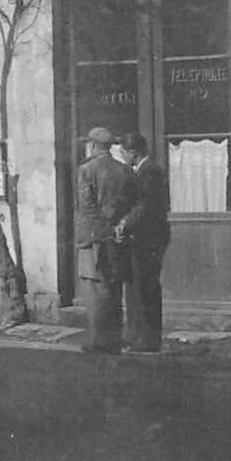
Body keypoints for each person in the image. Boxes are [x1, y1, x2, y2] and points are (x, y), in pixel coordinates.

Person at [74, 127, 137, 354]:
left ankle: (99, 341)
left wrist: (101, 233)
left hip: (94, 240)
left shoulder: (86, 170)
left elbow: (87, 207)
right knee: (114, 289)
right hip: (117, 238)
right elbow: (131, 204)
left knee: (94, 291)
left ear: (92, 145)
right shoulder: (124, 170)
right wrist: (116, 229)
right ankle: (115, 338)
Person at [117, 132, 170, 353]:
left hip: (149, 240)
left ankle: (147, 339)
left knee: (145, 289)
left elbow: (145, 206)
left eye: (123, 153)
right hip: (142, 239)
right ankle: (138, 336)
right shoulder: (144, 171)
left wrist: (125, 223)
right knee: (137, 288)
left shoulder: (150, 172)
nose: (122, 157)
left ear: (133, 152)